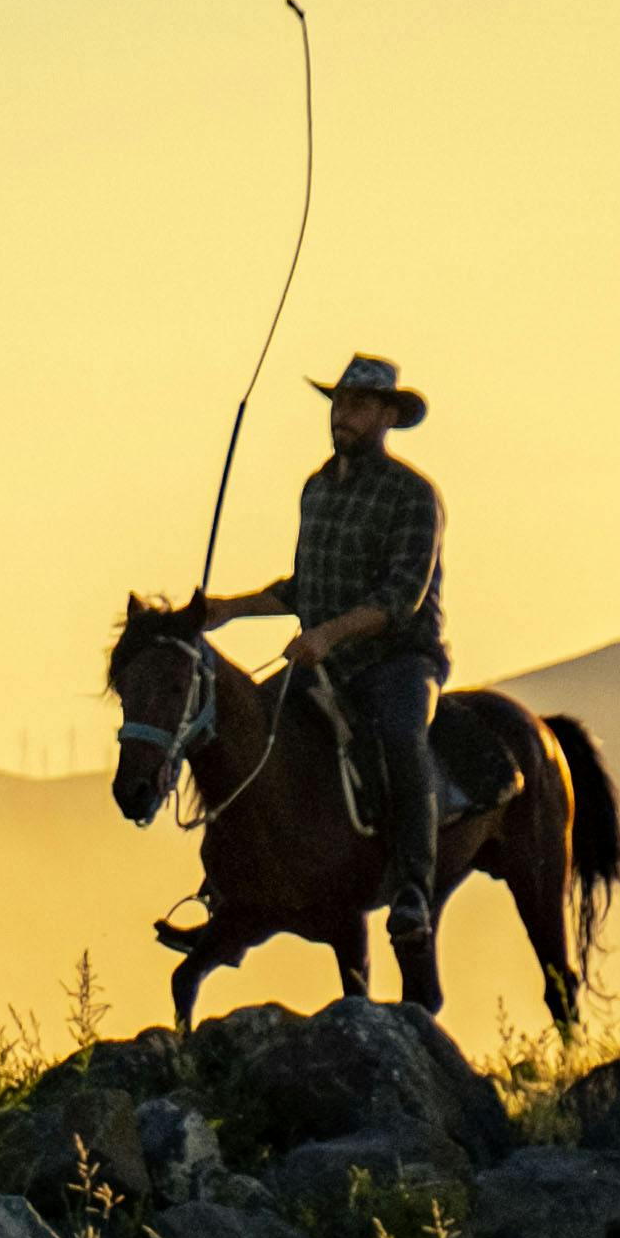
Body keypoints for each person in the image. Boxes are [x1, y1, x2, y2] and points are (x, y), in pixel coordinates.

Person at [185, 354, 448, 979]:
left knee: (402, 741)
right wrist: (229, 609)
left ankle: (412, 889)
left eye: (357, 405)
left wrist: (326, 636)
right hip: (322, 658)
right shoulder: (317, 488)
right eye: (338, 403)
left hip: (397, 661)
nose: (343, 415)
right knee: (240, 729)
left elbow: (399, 598)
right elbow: (304, 587)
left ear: (387, 416)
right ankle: (228, 885)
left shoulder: (413, 496)